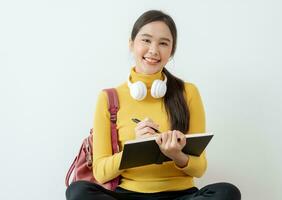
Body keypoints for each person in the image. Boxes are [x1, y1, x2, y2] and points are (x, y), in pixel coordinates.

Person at [66, 10, 241, 200]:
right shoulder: (109, 98)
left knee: (226, 192)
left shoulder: (188, 92)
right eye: (146, 40)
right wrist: (134, 149)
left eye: (163, 43)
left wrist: (177, 155)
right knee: (78, 192)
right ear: (131, 44)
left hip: (180, 195)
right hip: (129, 195)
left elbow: (200, 169)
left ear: (171, 52)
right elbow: (100, 172)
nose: (154, 50)